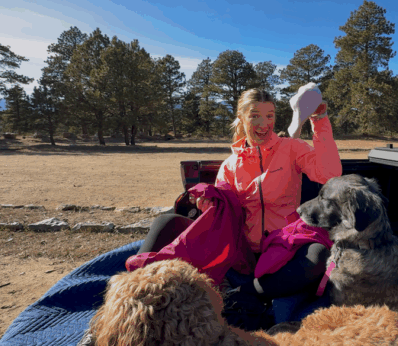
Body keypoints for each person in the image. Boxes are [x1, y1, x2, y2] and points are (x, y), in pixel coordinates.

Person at [135, 87, 342, 302]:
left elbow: (330, 173)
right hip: (242, 252)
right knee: (165, 223)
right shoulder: (230, 165)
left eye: (269, 116)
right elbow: (223, 212)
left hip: (284, 246)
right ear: (241, 118)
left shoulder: (291, 148)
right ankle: (131, 290)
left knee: (318, 255)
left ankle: (244, 293)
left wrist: (319, 119)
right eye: (255, 116)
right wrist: (208, 203)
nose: (264, 124)